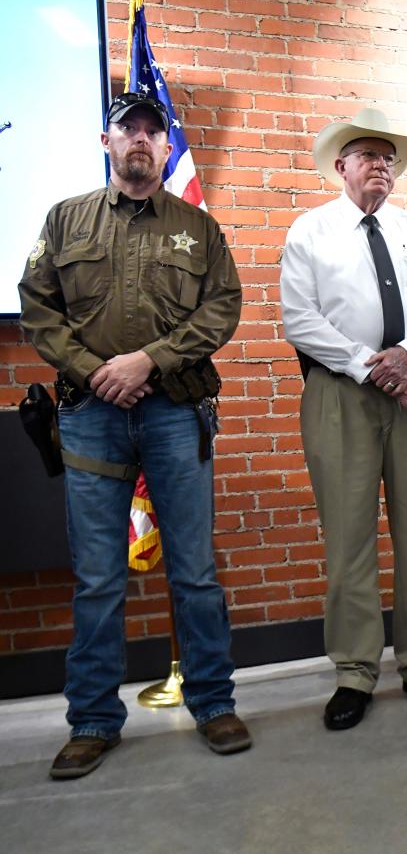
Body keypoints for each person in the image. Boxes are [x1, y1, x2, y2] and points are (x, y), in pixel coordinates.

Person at [19, 93, 250, 779]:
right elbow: (38, 308)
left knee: (195, 573)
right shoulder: (66, 219)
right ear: (107, 141)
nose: (143, 141)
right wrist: (98, 372)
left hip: (176, 412)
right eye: (130, 130)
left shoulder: (197, 227)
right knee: (96, 579)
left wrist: (150, 360)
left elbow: (224, 306)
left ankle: (214, 703)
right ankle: (92, 719)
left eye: (154, 131)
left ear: (165, 145)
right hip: (90, 414)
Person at [280, 108, 407, 731]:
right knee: (349, 539)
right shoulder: (310, 231)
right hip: (342, 398)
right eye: (367, 155)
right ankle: (354, 671)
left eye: (388, 157)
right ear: (341, 167)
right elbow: (301, 319)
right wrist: (374, 367)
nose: (380, 165)